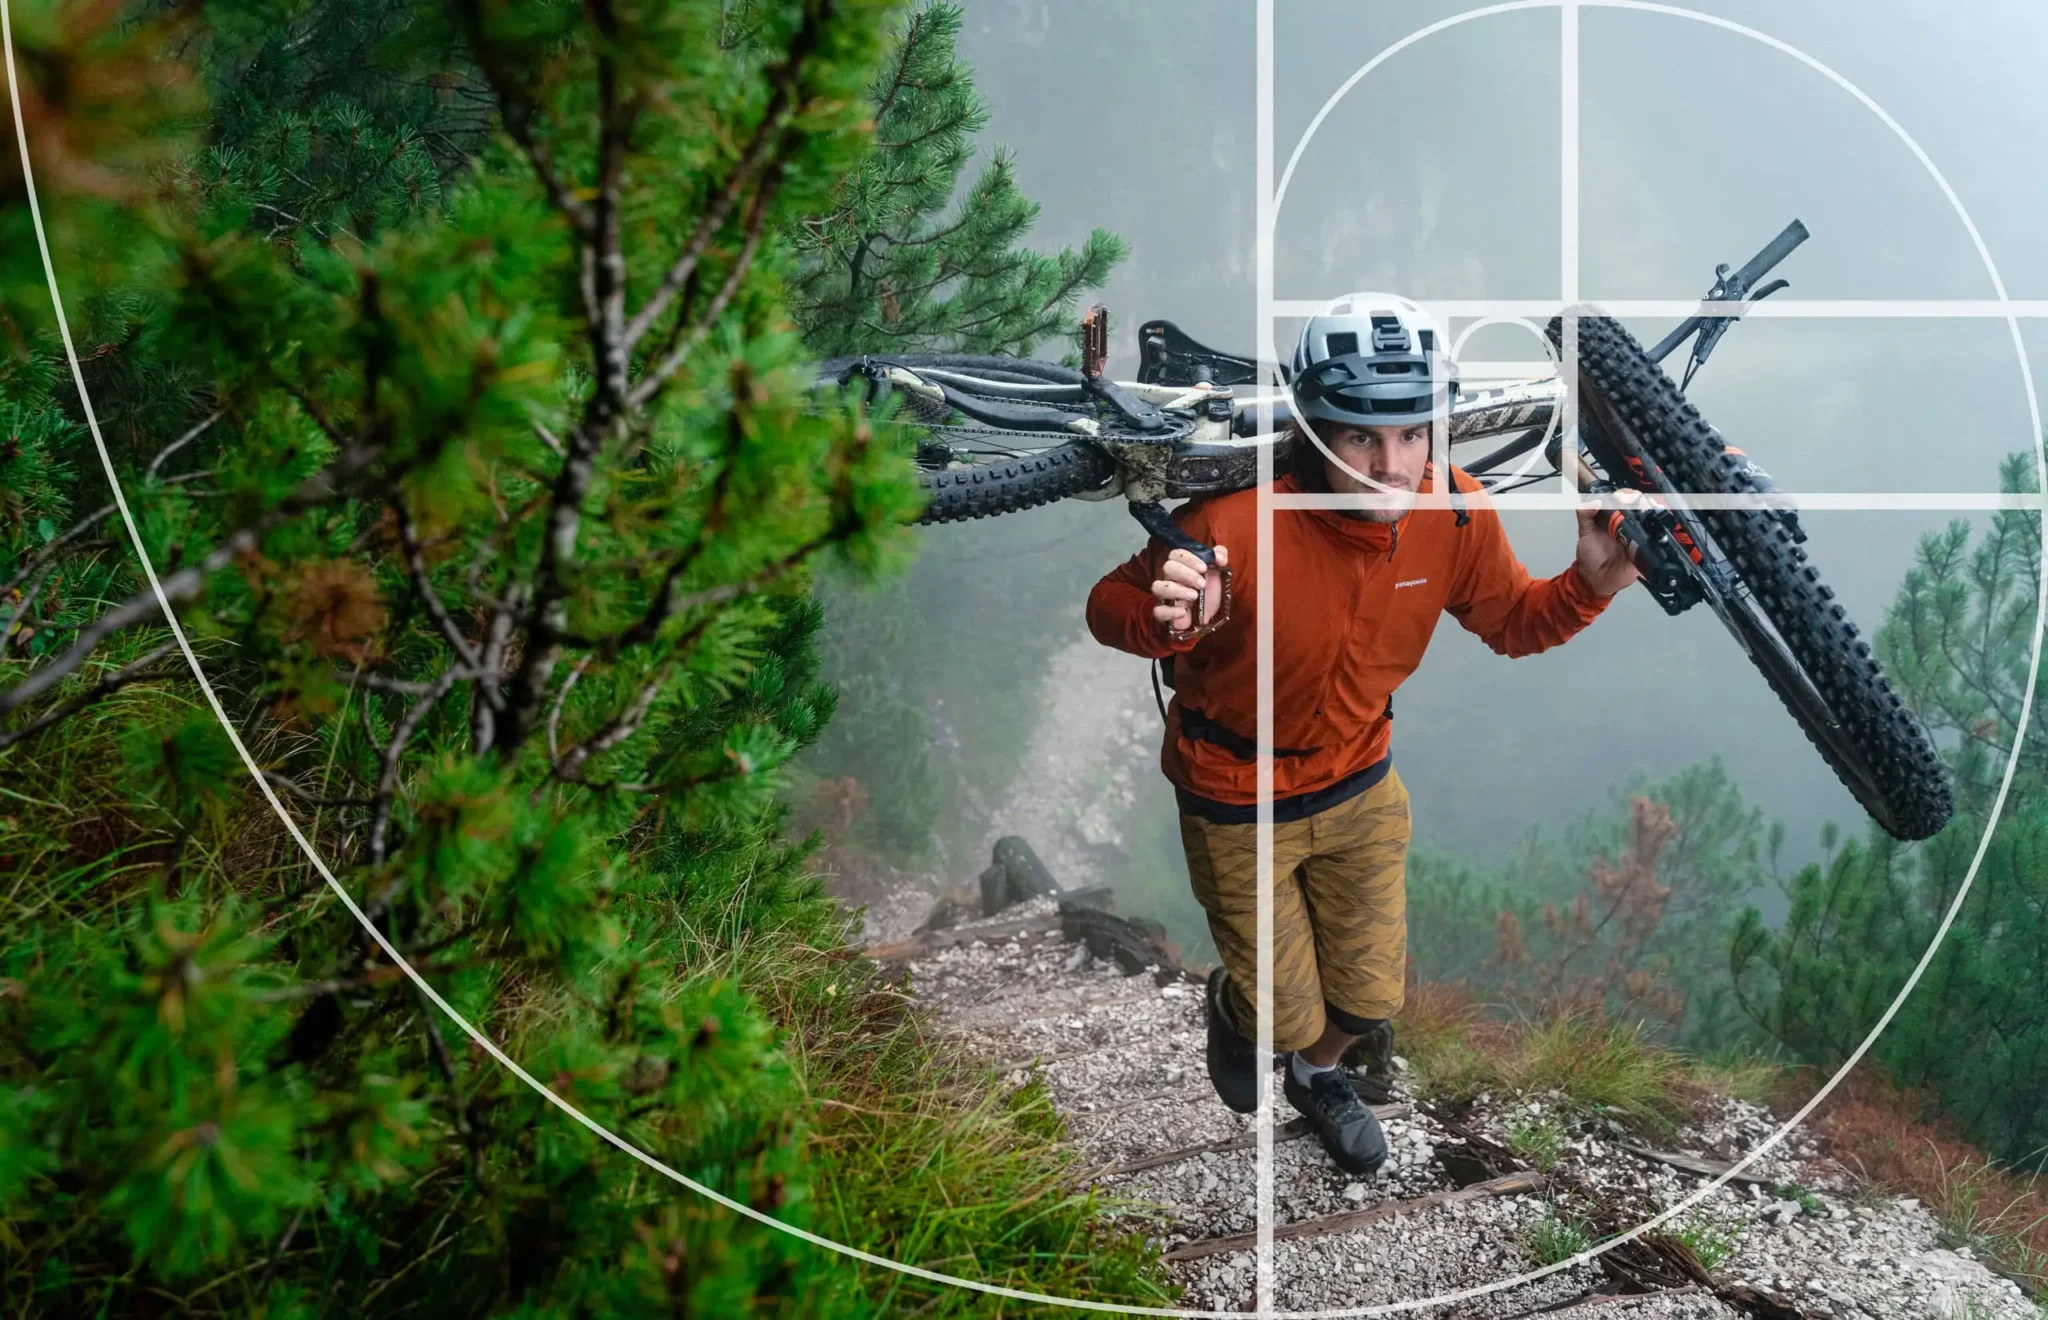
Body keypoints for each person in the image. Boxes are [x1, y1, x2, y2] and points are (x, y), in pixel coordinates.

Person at [1084, 293, 1642, 1175]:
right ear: (1316, 431)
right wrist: (1170, 623)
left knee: (1371, 997)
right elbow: (1108, 605)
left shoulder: (1451, 510)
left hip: (1362, 785)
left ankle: (1316, 1076)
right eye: (1361, 439)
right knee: (1282, 1008)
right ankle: (1244, 1012)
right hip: (1236, 796)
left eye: (1414, 435)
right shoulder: (1236, 522)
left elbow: (1513, 623)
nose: (1394, 466)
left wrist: (1592, 585)